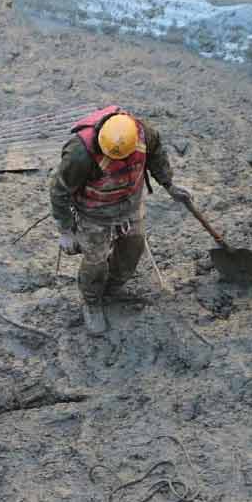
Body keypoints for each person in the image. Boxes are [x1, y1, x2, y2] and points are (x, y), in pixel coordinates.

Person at [50, 106, 192, 334]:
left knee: (133, 248)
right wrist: (66, 230)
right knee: (95, 261)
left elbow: (156, 155)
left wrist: (169, 184)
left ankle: (113, 287)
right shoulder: (80, 154)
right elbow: (59, 191)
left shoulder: (143, 133)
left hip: (129, 204)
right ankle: (92, 300)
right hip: (93, 214)